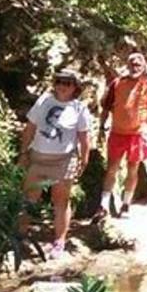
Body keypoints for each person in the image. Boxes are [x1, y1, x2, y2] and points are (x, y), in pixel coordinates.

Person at [19, 69, 91, 258]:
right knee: (29, 197)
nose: (62, 86)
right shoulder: (44, 100)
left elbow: (84, 137)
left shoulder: (79, 108)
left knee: (60, 201)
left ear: (75, 87)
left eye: (67, 83)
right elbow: (30, 127)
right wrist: (23, 153)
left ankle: (59, 241)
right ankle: (20, 236)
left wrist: (84, 160)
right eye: (59, 81)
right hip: (38, 157)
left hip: (63, 160)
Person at [98, 51, 147, 218]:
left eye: (138, 65)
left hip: (137, 135)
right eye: (132, 64)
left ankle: (126, 205)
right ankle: (103, 205)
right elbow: (106, 106)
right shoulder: (117, 83)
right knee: (112, 169)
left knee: (133, 170)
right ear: (127, 65)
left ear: (144, 67)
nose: (135, 67)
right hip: (117, 132)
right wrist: (101, 126)